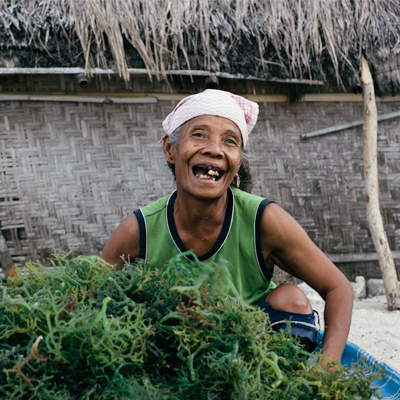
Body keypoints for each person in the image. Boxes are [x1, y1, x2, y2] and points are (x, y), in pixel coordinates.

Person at [101, 89, 353, 367]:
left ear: (237, 163)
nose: (214, 149)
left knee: (291, 298)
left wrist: (327, 368)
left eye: (229, 141)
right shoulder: (139, 231)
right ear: (169, 149)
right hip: (175, 354)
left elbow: (338, 287)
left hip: (254, 355)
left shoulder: (263, 220)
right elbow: (92, 296)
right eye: (198, 135)